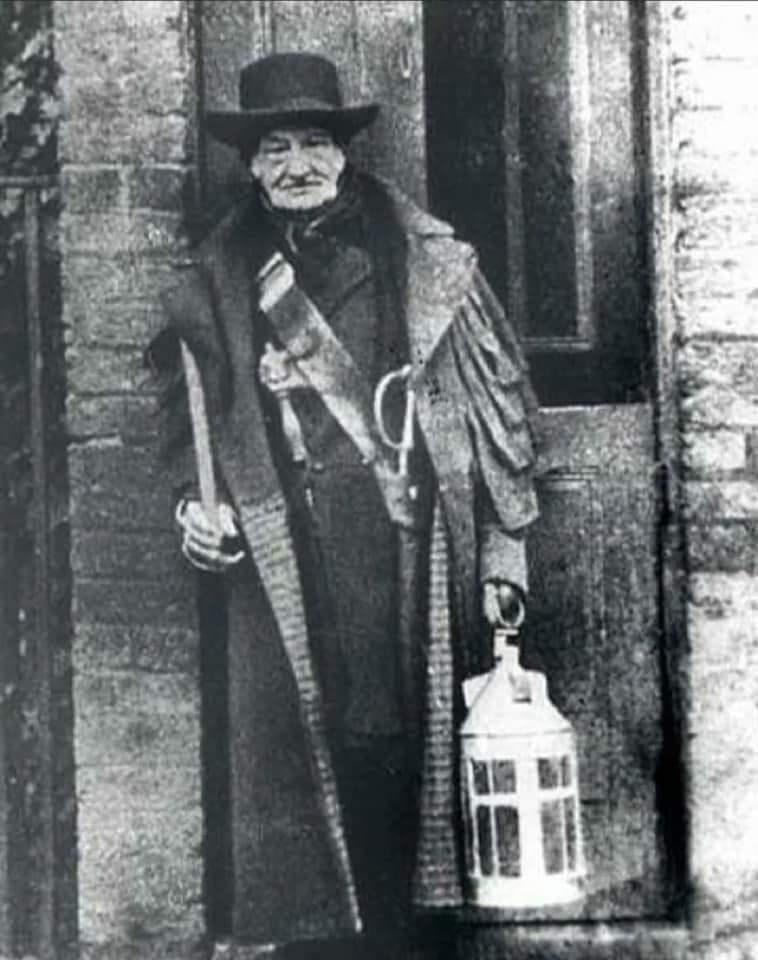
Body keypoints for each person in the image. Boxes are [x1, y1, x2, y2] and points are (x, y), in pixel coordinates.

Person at [145, 52, 540, 960]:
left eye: (314, 142)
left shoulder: (422, 260)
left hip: (404, 544)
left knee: (402, 751)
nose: (295, 165)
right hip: (285, 557)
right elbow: (184, 428)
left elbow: (498, 415)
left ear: (345, 153)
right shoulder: (218, 277)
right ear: (249, 165)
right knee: (306, 785)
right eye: (275, 147)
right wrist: (191, 512)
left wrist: (505, 555)